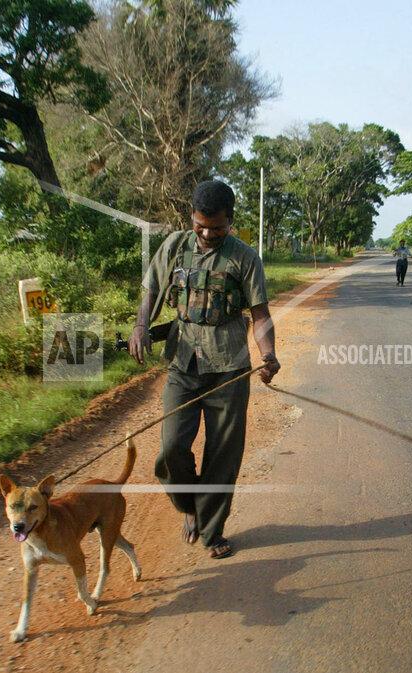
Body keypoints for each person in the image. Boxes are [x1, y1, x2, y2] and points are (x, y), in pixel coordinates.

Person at [129, 180, 280, 559]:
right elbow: (150, 290)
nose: (208, 234)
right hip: (183, 363)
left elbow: (259, 314)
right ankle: (191, 507)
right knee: (170, 449)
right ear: (191, 217)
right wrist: (139, 326)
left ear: (231, 220)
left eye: (217, 227)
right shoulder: (175, 246)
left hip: (229, 368)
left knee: (223, 455)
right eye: (201, 225)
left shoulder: (245, 257)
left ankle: (212, 531)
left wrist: (269, 355)